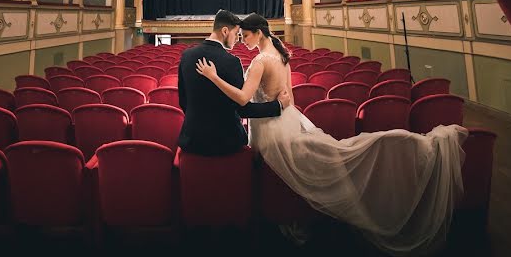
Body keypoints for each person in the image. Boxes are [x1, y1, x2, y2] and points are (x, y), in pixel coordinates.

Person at [195, 13, 467, 255]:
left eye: (245, 36)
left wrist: (213, 77)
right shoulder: (282, 56)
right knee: (336, 153)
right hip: (289, 119)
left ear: (259, 33)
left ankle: (273, 212)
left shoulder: (259, 62)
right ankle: (406, 146)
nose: (242, 41)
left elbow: (243, 99)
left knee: (304, 164)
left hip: (270, 128)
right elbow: (290, 99)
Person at [177, 9, 291, 156]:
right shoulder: (232, 62)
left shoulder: (186, 56)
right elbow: (243, 109)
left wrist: (200, 118)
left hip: (192, 139)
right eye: (237, 34)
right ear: (225, 31)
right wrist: (278, 105)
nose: (238, 39)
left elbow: (183, 100)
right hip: (226, 142)